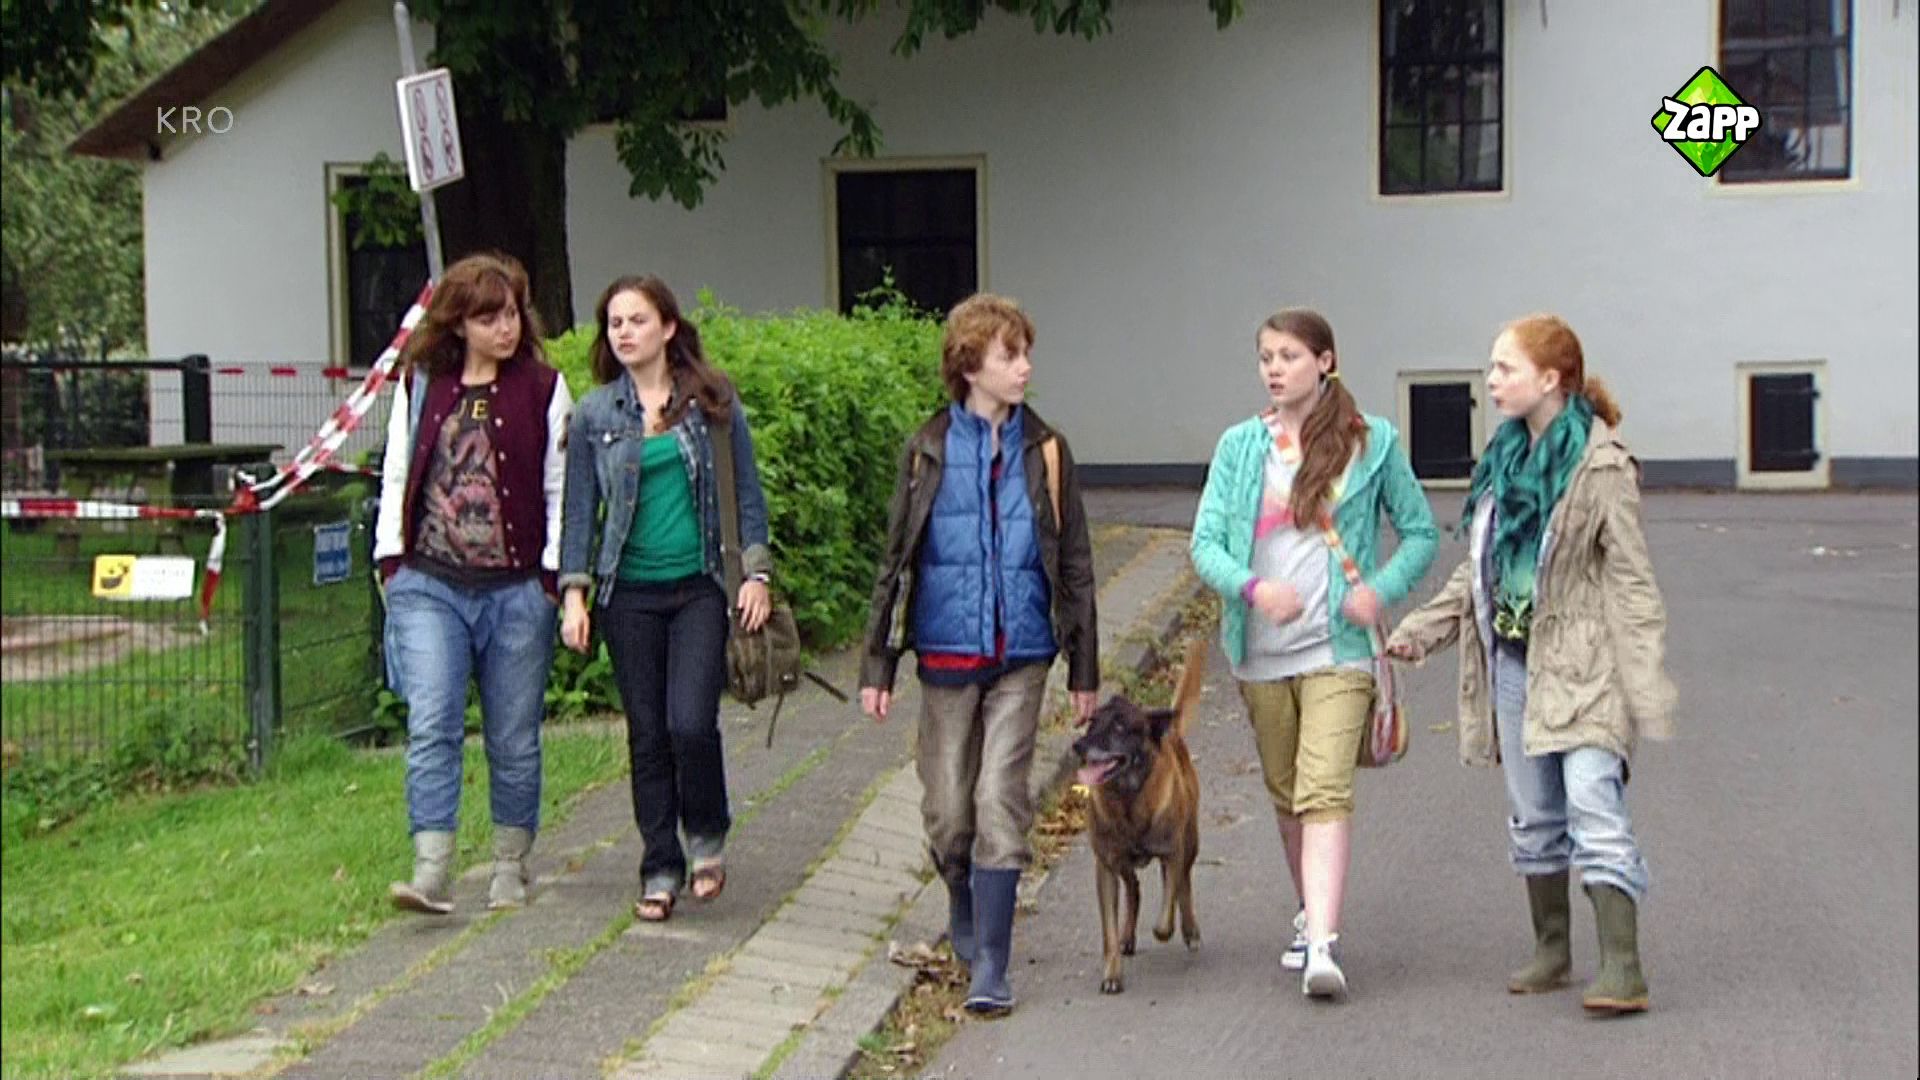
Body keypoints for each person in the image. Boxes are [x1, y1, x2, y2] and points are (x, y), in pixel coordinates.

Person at [1387, 313, 1676, 1014]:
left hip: (1588, 665)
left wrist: (1643, 679)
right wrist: (1423, 630)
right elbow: (1481, 571)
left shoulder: (1602, 467)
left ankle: (1623, 967)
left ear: (1550, 379)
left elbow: (1632, 580)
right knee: (1534, 813)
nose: (1490, 381)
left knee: (1592, 802)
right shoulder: (1503, 461)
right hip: (1514, 664)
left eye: (1504, 368)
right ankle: (1553, 949)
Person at [858, 293, 1099, 1017]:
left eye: (1026, 354)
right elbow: (895, 560)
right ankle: (960, 892)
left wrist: (1084, 667)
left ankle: (992, 961)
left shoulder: (1047, 450)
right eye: (1009, 355)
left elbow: (1077, 562)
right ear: (970, 367)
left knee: (999, 796)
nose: (1024, 368)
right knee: (947, 809)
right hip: (946, 652)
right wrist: (878, 664)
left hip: (1023, 651)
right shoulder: (926, 449)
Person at [1189, 307, 1437, 1000]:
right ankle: (1309, 911)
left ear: (1325, 361)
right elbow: (1204, 543)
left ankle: (1323, 943)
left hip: (1339, 649)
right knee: (1287, 791)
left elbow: (1420, 532)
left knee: (1323, 786)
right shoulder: (1240, 447)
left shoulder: (1371, 442)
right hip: (1261, 653)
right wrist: (1253, 588)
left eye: (1289, 356)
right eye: (1266, 357)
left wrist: (1378, 590)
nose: (1274, 369)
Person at [557, 275, 773, 923]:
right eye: (615, 323)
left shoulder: (712, 402)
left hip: (699, 587)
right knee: (647, 733)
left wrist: (756, 575)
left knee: (690, 723)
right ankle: (659, 866)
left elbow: (747, 496)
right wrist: (574, 595)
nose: (624, 333)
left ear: (668, 327)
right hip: (628, 595)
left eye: (637, 320)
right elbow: (578, 515)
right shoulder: (595, 415)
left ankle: (706, 837)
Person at [376, 252, 573, 915]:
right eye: (489, 318)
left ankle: (510, 863)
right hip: (429, 583)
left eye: (511, 314)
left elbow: (560, 489)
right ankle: (432, 869)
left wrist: (552, 579)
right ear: (458, 323)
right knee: (433, 720)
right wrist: (391, 561)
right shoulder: (421, 386)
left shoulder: (544, 389)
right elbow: (398, 472)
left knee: (513, 735)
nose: (505, 328)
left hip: (518, 589)